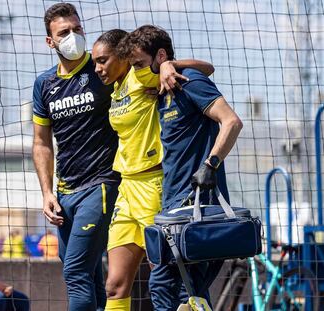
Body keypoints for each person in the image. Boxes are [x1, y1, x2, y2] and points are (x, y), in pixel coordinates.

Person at [118, 25, 243, 310]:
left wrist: (210, 165)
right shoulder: (163, 89)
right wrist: (167, 67)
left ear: (160, 56)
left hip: (198, 205)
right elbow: (208, 66)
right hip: (172, 204)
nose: (136, 71)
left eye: (139, 64)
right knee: (189, 293)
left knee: (167, 286)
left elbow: (232, 122)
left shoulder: (189, 81)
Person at [92, 30, 215, 310]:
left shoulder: (142, 75)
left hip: (153, 186)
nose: (98, 68)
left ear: (124, 58)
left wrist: (171, 64)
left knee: (168, 279)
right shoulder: (116, 88)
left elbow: (208, 69)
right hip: (127, 188)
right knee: (114, 285)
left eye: (104, 60)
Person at [32, 3, 121, 310]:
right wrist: (47, 193)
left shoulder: (102, 69)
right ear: (50, 42)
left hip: (102, 185)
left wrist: (164, 65)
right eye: (64, 32)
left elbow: (145, 60)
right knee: (91, 274)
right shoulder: (44, 84)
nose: (74, 36)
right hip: (65, 193)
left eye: (77, 28)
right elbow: (41, 143)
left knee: (75, 271)